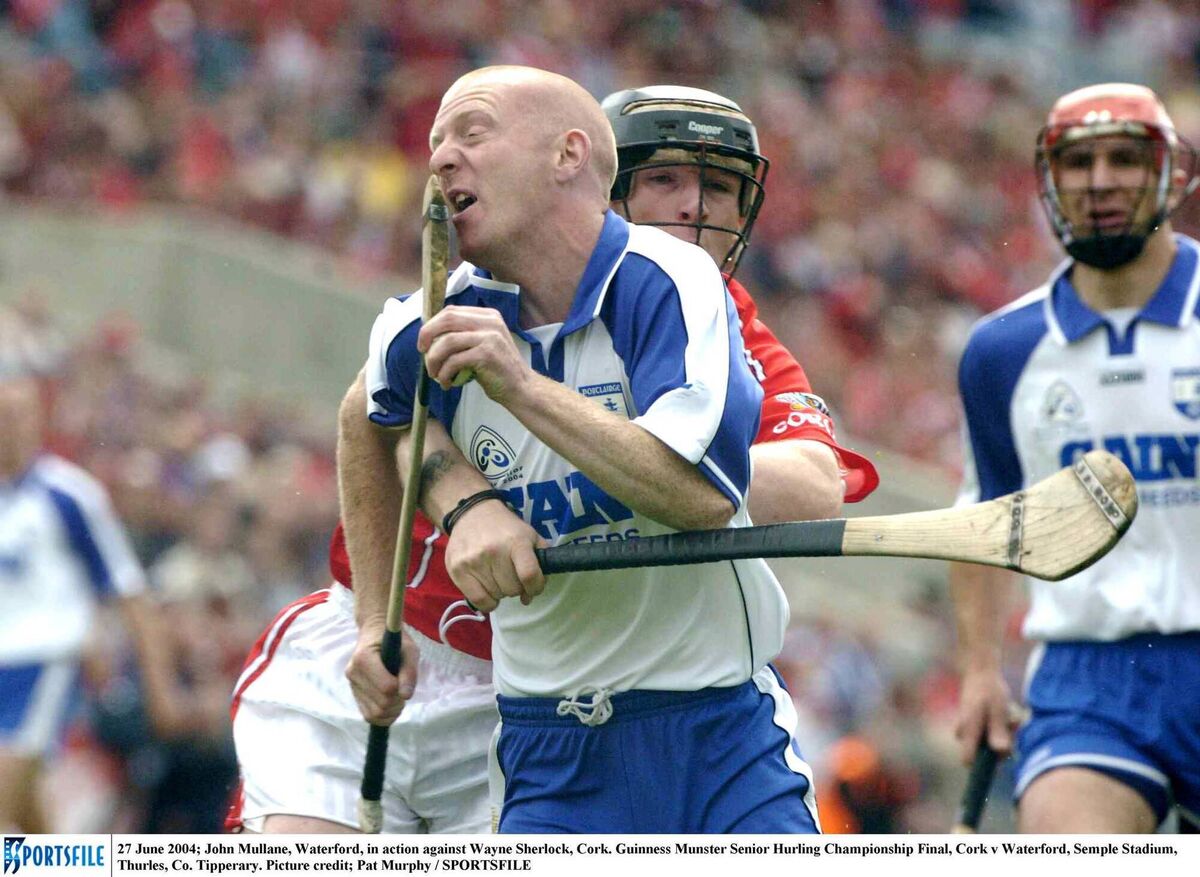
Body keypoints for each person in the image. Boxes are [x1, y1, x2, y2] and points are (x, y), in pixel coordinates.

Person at [227, 77, 876, 835]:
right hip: (400, 649)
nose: (694, 206)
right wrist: (466, 505)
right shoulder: (461, 301)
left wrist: (626, 477)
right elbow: (371, 416)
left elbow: (807, 481)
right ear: (598, 179)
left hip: (532, 692)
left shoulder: (710, 312)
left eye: (721, 188)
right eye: (665, 179)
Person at [951, 82, 1200, 834]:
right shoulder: (1002, 350)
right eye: (1078, 162)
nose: (1100, 182)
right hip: (1089, 678)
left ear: (1169, 174)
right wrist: (980, 669)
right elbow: (987, 519)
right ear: (1050, 181)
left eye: (1124, 158)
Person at [0, 371, 187, 832]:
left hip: (44, 661)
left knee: (6, 781)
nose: (7, 425)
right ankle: (59, 860)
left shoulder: (68, 496)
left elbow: (131, 593)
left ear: (37, 419)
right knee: (20, 804)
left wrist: (160, 688)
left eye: (16, 414)